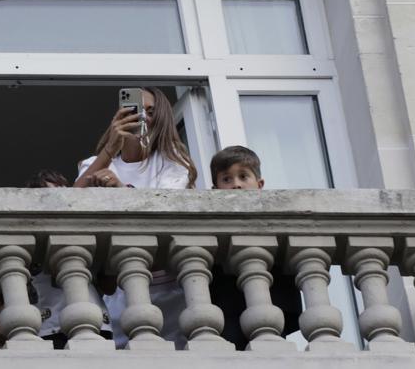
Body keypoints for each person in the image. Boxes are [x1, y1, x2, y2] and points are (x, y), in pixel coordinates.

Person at [74, 88, 198, 349]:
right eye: (135, 110)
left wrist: (121, 191)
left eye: (150, 112)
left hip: (170, 291)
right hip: (117, 291)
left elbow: (163, 211)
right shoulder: (95, 163)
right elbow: (69, 206)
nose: (143, 117)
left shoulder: (173, 164)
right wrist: (109, 149)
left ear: (162, 118)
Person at [209, 146, 302, 350]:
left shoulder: (275, 216)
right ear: (215, 190)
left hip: (271, 298)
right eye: (227, 179)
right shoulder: (211, 225)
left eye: (243, 177)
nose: (236, 185)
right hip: (227, 302)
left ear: (259, 185)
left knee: (271, 346)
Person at [25, 169, 111, 348]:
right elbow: (59, 273)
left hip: (96, 318)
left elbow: (109, 286)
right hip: (53, 325)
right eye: (51, 193)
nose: (62, 199)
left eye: (64, 191)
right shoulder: (35, 235)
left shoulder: (85, 231)